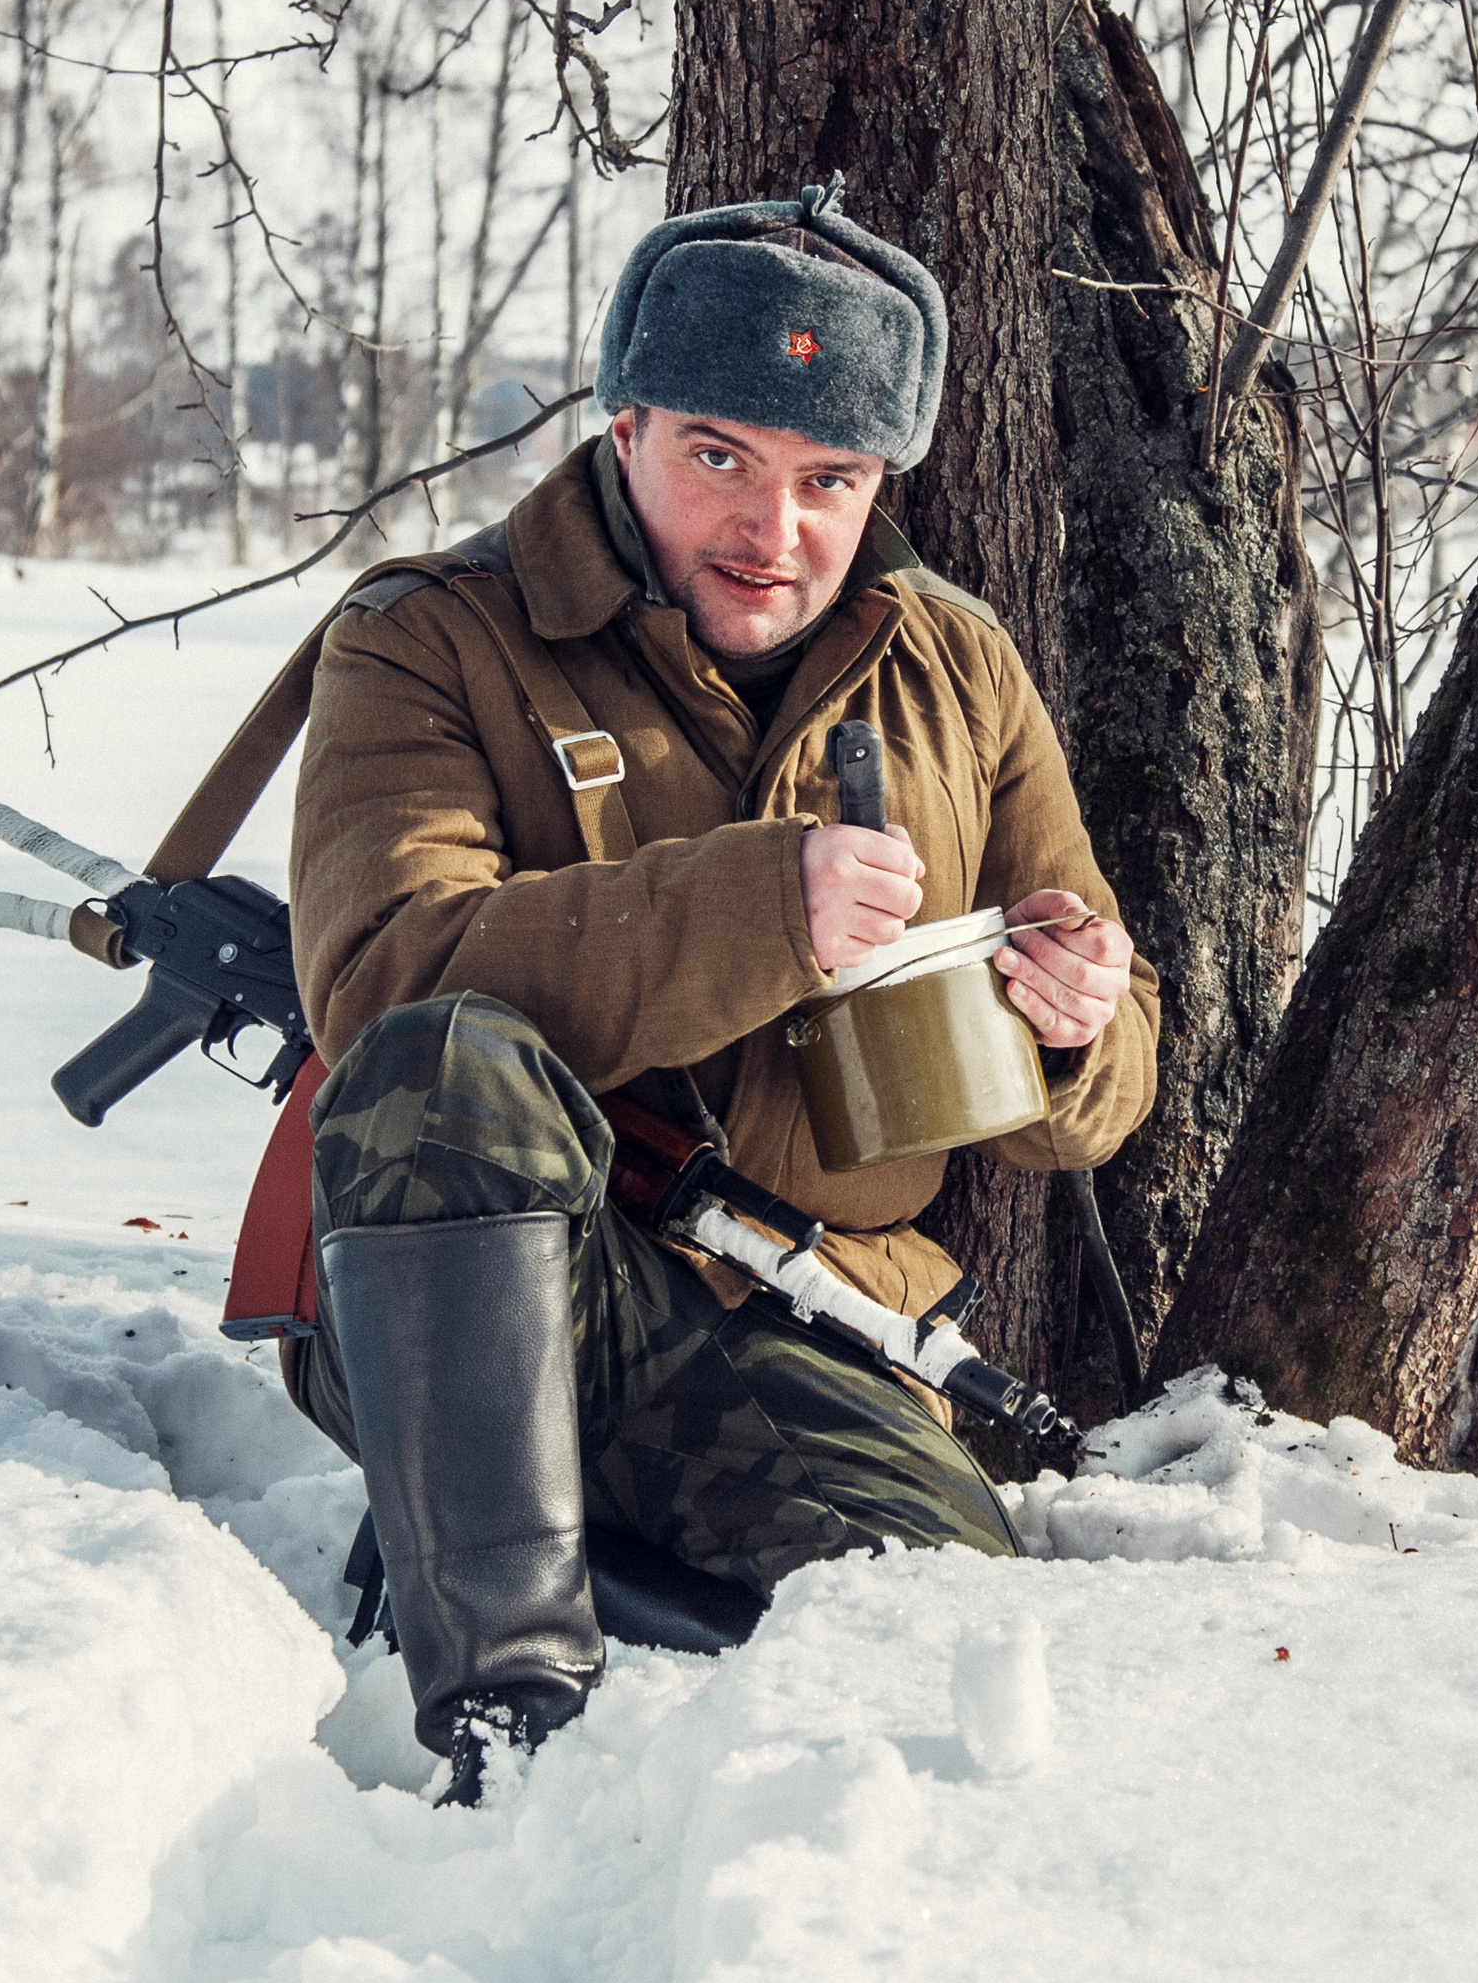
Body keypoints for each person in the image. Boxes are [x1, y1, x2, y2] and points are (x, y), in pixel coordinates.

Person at [283, 179, 1159, 1801]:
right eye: (720, 459)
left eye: (831, 478)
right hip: (491, 1273)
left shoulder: (960, 668)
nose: (778, 530)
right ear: (624, 430)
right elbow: (382, 985)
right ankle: (499, 1704)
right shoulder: (428, 640)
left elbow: (1099, 1086)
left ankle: (483, 1526)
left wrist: (1080, 1018)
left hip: (817, 1316)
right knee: (445, 1058)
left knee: (922, 1595)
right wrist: (766, 904)